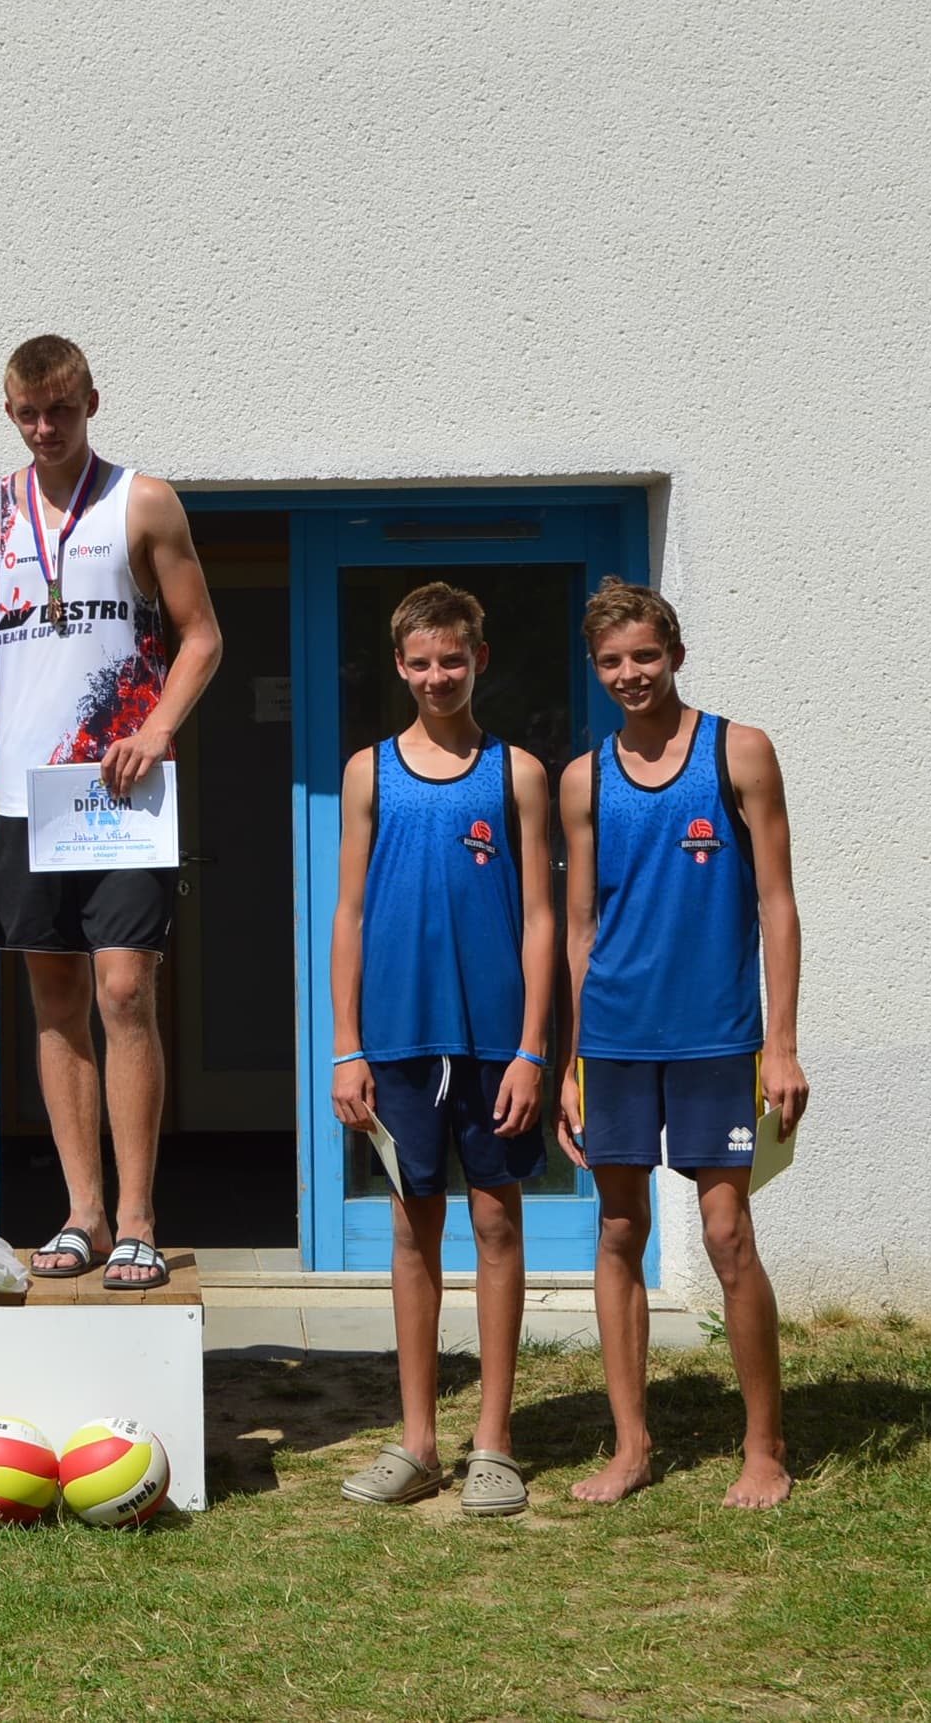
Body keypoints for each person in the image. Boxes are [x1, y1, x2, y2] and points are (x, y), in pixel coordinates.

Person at [0, 336, 220, 1291]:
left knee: (123, 991)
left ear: (91, 402)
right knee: (55, 1001)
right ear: (9, 412)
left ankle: (141, 1216)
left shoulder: (140, 501)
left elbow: (202, 637)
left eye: (61, 410)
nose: (44, 427)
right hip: (33, 799)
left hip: (122, 793)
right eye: (28, 413)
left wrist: (152, 731)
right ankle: (82, 1212)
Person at [557, 578, 807, 1509]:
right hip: (616, 1037)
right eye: (612, 661)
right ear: (596, 669)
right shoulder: (584, 778)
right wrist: (571, 1064)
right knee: (619, 1229)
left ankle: (764, 1448)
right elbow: (580, 926)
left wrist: (778, 1042)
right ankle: (631, 1447)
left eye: (644, 656)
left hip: (717, 1035)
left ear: (676, 653)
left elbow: (777, 903)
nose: (630, 674)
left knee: (726, 1232)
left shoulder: (738, 751)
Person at [327, 583, 556, 1515]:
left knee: (497, 1224)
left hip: (495, 1041)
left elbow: (542, 919)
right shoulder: (367, 772)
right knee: (410, 1228)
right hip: (397, 1041)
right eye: (419, 663)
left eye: (450, 661)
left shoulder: (519, 775)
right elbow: (346, 912)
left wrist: (533, 1049)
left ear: (479, 661)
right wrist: (347, 1046)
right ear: (398, 666)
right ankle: (417, 1439)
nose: (435, 677)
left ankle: (493, 1442)